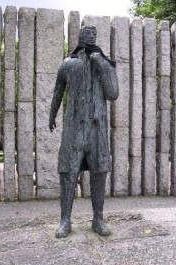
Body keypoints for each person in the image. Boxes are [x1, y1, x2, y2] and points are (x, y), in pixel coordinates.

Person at [49, 25, 119, 238]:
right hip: (74, 127)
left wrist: (102, 63)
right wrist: (52, 115)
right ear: (79, 37)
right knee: (68, 172)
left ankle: (98, 219)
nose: (91, 36)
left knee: (100, 171)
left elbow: (113, 93)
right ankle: (65, 220)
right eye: (87, 34)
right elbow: (58, 92)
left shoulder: (103, 63)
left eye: (94, 34)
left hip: (97, 129)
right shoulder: (68, 64)